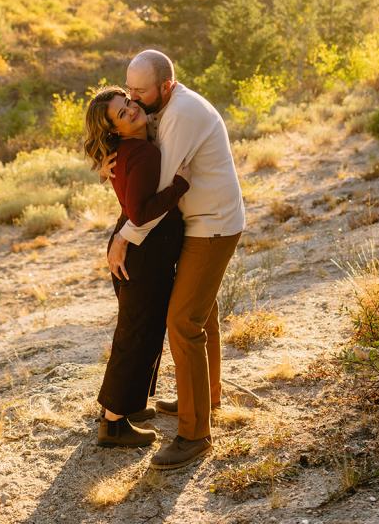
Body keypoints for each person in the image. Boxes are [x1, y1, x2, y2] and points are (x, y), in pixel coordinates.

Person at [105, 50, 246, 470]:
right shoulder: (158, 109)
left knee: (182, 321)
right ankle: (208, 396)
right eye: (128, 90)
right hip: (196, 223)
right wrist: (109, 159)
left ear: (166, 86)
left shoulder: (181, 113)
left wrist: (122, 240)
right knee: (201, 313)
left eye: (140, 92)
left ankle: (195, 434)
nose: (133, 100)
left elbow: (158, 194)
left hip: (213, 224)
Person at [84, 85, 190, 449]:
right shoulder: (141, 153)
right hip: (143, 255)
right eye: (120, 113)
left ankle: (125, 406)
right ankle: (113, 424)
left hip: (139, 252)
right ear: (114, 129)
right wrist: (180, 185)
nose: (131, 110)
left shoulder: (128, 149)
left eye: (128, 103)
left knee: (139, 332)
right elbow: (142, 212)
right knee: (136, 334)